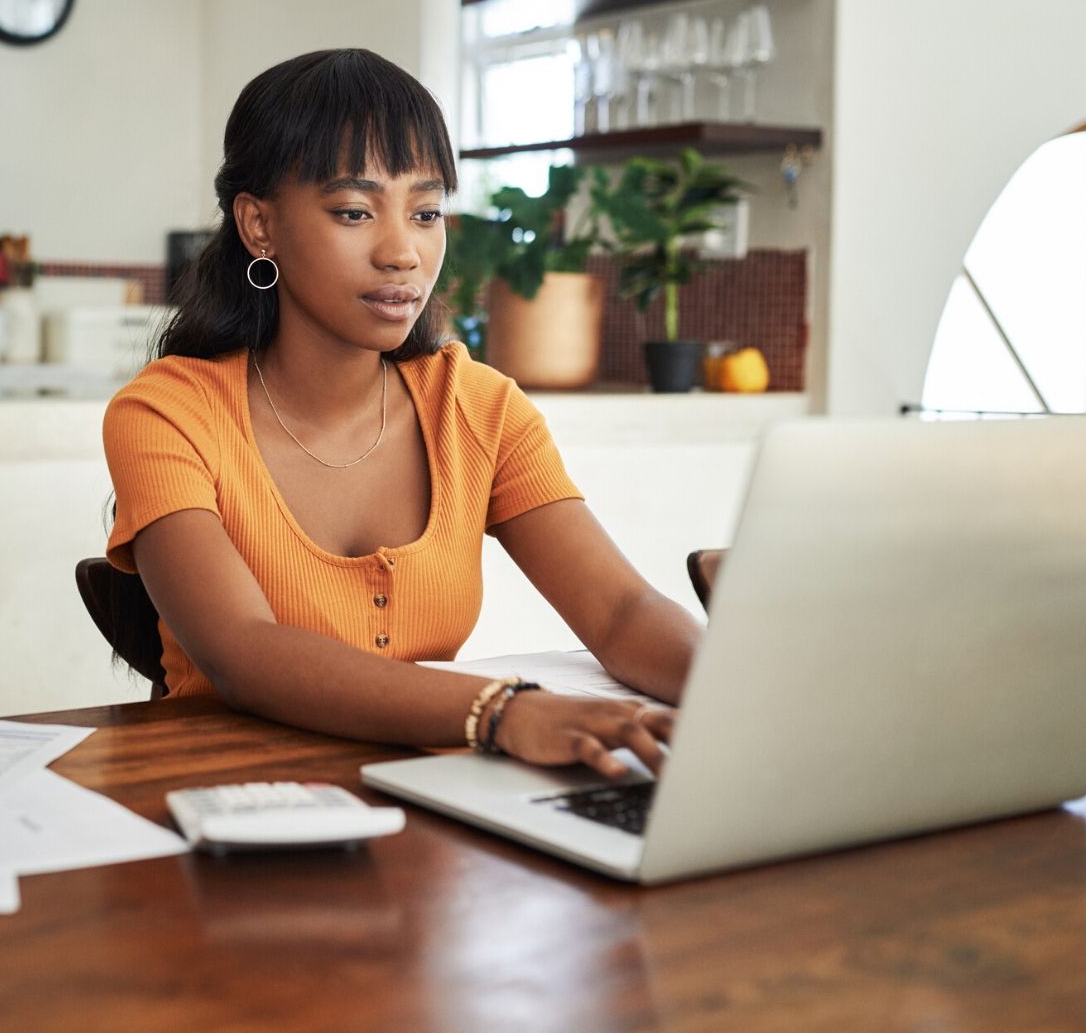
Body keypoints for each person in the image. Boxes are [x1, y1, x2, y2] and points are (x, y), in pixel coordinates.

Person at [103, 49, 702, 779]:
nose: (403, 253)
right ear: (259, 226)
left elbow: (621, 613)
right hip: (226, 813)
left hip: (432, 806)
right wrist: (500, 712)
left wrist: (742, 697)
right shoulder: (168, 413)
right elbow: (242, 651)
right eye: (354, 212)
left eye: (426, 213)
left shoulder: (477, 408)